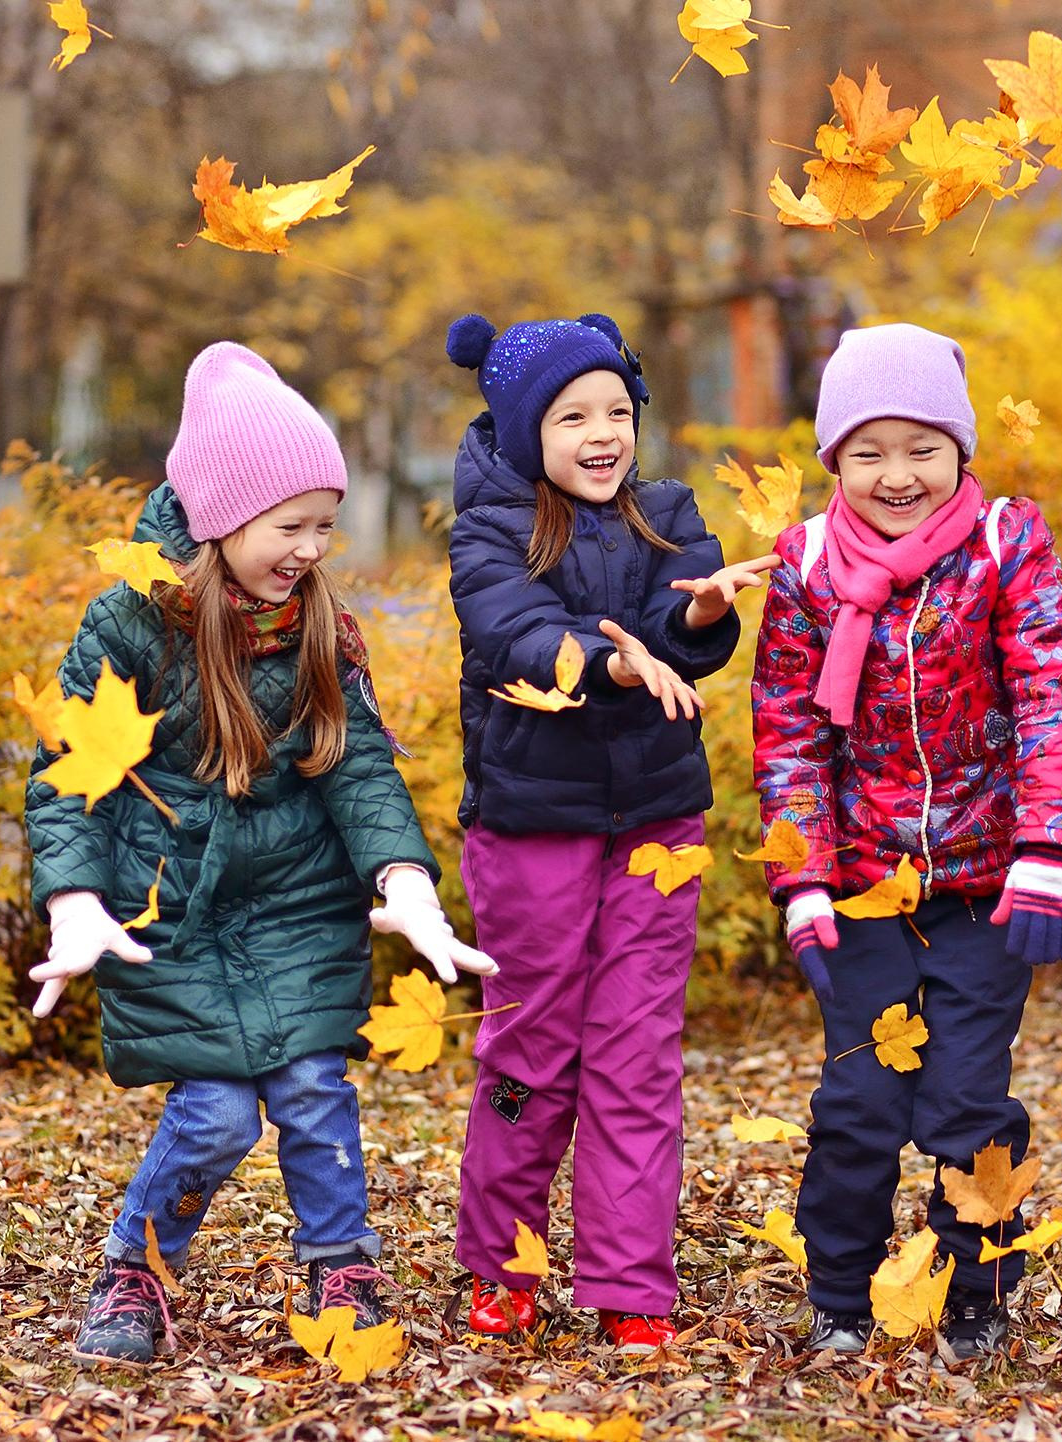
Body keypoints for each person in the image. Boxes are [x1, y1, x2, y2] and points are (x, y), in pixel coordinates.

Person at [25, 341, 496, 1366]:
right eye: (293, 525)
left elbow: (358, 767)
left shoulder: (322, 624)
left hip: (297, 904)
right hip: (174, 915)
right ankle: (137, 1265)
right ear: (221, 519)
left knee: (315, 1089)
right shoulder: (129, 625)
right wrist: (71, 899)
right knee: (216, 1112)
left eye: (326, 524)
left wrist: (405, 881)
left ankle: (342, 1264)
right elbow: (72, 774)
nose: (313, 547)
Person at [750, 323, 1062, 1361]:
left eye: (920, 448)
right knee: (859, 1098)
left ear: (958, 447)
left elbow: (1052, 690)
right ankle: (841, 1294)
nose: (896, 475)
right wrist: (802, 877)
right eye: (869, 451)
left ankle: (977, 1289)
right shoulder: (808, 565)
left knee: (965, 1101)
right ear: (835, 461)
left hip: (990, 885)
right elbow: (789, 730)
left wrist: (1049, 848)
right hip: (862, 887)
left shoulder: (1004, 543)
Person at [442, 312, 771, 1353]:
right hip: (531, 821)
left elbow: (680, 628)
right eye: (574, 414)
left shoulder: (668, 512)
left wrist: (705, 618)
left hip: (657, 823)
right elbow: (517, 633)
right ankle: (504, 1263)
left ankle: (631, 1280)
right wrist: (615, 661)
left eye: (618, 411)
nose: (603, 432)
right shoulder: (489, 529)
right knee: (532, 1046)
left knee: (637, 1054)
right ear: (525, 427)